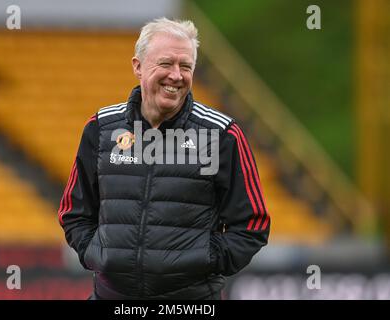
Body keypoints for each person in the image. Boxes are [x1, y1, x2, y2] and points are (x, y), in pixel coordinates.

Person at [58, 17, 270, 300]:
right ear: (138, 66)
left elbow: (253, 223)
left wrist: (207, 260)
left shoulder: (221, 135)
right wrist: (97, 254)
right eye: (166, 63)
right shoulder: (101, 128)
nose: (176, 75)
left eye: (186, 66)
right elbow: (74, 212)